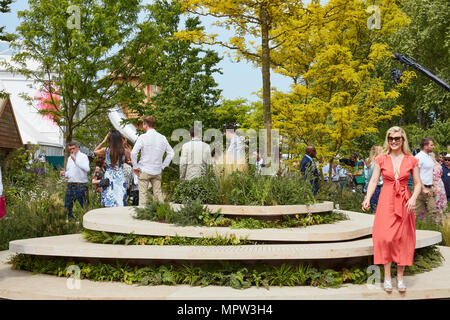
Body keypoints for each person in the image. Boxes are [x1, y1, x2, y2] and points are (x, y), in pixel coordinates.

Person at [362, 126, 422, 293]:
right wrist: (367, 198)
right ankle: (388, 277)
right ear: (387, 140)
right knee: (385, 238)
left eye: (397, 138)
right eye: (390, 138)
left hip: (404, 202)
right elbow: (374, 180)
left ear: (403, 140)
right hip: (386, 201)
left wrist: (413, 198)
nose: (394, 141)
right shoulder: (381, 159)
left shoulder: (412, 160)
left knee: (403, 239)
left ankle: (400, 278)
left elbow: (418, 184)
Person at [131, 116, 174, 205]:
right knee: (158, 195)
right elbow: (171, 153)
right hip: (157, 170)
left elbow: (133, 153)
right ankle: (161, 215)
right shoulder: (162, 138)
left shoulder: (142, 137)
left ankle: (142, 217)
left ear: (145, 124)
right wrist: (163, 166)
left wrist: (135, 167)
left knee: (143, 195)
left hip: (144, 170)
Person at [94, 131, 130, 207]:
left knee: (109, 198)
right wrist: (125, 144)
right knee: (119, 199)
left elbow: (95, 151)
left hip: (109, 177)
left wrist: (103, 141)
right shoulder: (125, 151)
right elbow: (130, 157)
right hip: (120, 177)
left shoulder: (106, 150)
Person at [60, 141, 90, 220]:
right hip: (70, 185)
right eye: (70, 149)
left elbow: (87, 169)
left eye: (73, 148)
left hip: (81, 186)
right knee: (67, 207)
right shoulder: (69, 158)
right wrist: (64, 173)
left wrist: (75, 160)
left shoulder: (83, 157)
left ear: (77, 147)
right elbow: (70, 172)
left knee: (86, 207)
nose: (71, 151)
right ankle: (71, 224)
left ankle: (88, 224)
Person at [414, 138, 435, 221]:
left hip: (429, 188)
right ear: (425, 146)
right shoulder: (419, 157)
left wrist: (433, 185)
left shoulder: (429, 157)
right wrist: (423, 188)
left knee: (432, 211)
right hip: (420, 189)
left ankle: (432, 230)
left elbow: (428, 173)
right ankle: (409, 231)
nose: (433, 147)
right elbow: (416, 175)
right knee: (416, 212)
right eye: (431, 145)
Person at [424, 153, 447, 222]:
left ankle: (434, 219)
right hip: (440, 184)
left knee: (433, 201)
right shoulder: (438, 165)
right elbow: (441, 174)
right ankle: (442, 218)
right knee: (440, 201)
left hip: (433, 184)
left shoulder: (430, 165)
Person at [365, 146, 384, 213]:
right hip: (377, 187)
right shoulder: (375, 164)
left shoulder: (371, 162)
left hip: (374, 186)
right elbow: (372, 178)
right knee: (376, 208)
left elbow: (368, 177)